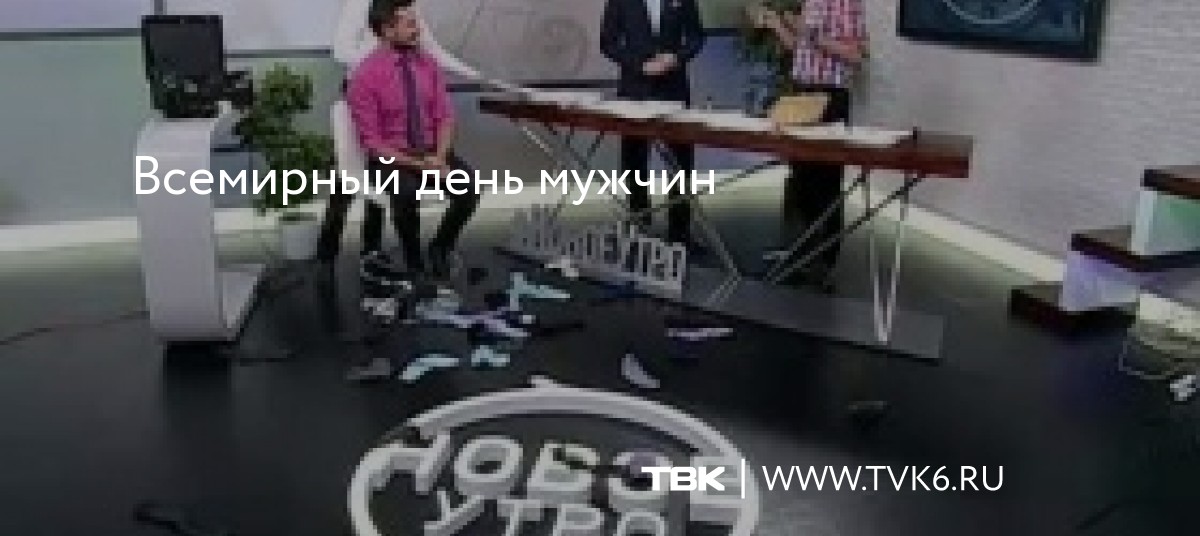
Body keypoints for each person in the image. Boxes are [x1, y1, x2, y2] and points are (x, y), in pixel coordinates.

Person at [317, 0, 479, 276]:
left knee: (469, 187)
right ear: (387, 30)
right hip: (392, 157)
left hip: (430, 152)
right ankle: (413, 264)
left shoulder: (427, 65)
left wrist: (439, 158)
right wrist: (419, 165)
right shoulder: (365, 76)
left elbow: (445, 117)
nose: (418, 30)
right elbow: (374, 144)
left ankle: (440, 248)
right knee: (402, 192)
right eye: (410, 25)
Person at [757, 0, 867, 291]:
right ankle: (800, 253)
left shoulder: (845, 3)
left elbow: (856, 55)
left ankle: (825, 263)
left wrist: (815, 36)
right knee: (801, 179)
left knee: (825, 184)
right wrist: (777, 26)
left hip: (828, 97)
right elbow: (801, 50)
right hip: (801, 93)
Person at [600, 0, 705, 245]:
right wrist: (639, 66)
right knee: (635, 161)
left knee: (681, 163)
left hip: (674, 89)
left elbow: (696, 37)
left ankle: (680, 232)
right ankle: (639, 227)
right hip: (635, 89)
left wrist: (676, 58)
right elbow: (608, 43)